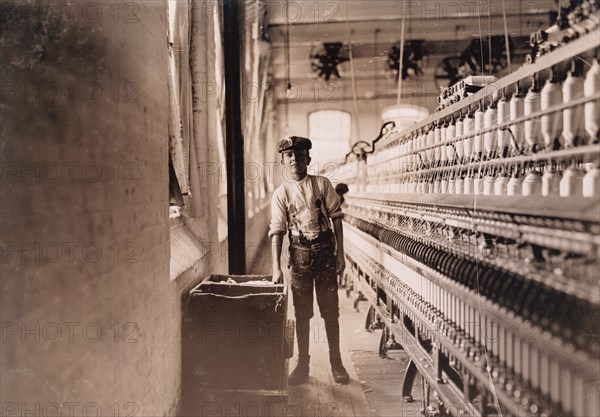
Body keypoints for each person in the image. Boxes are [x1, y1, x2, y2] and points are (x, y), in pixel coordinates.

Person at [269, 135, 350, 385]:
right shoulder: (281, 194)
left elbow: (336, 218)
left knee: (330, 311)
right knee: (302, 313)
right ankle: (302, 364)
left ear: (308, 158)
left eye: (300, 155)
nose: (295, 159)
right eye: (290, 156)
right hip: (300, 256)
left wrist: (340, 254)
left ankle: (336, 363)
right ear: (284, 161)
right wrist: (276, 267)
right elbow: (277, 230)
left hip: (325, 253)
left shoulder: (322, 184)